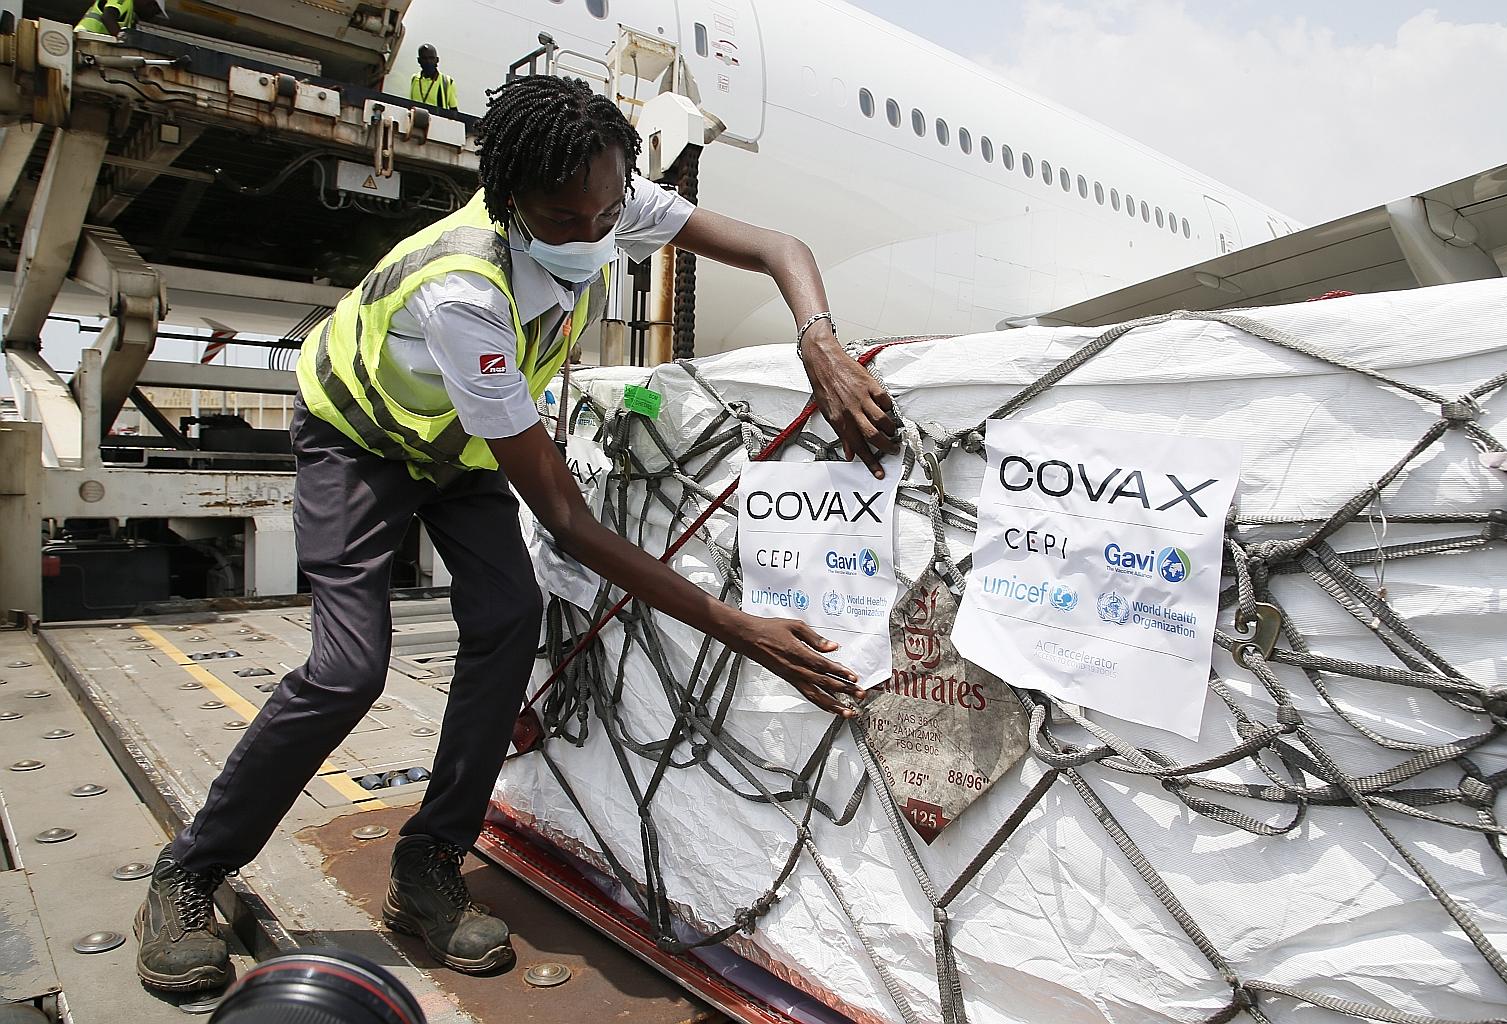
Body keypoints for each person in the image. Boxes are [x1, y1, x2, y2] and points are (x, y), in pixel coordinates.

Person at [132, 73, 900, 993]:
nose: (592, 233)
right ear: (508, 202)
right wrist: (737, 626)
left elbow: (779, 246)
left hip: (459, 451)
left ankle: (429, 860)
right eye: (563, 219)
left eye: (606, 213)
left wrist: (819, 340)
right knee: (347, 671)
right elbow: (566, 520)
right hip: (361, 439)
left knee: (506, 621)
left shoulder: (605, 197)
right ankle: (191, 868)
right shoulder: (465, 293)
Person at [409, 44, 458, 111]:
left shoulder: (447, 82)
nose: (428, 61)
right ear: (419, 60)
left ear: (437, 60)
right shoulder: (414, 79)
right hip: (416, 116)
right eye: (424, 58)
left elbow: (454, 110)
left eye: (431, 58)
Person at [75, 0, 159, 36]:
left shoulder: (131, 14)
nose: (152, 13)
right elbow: (108, 17)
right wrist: (122, 39)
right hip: (85, 36)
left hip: (95, 40)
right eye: (152, 5)